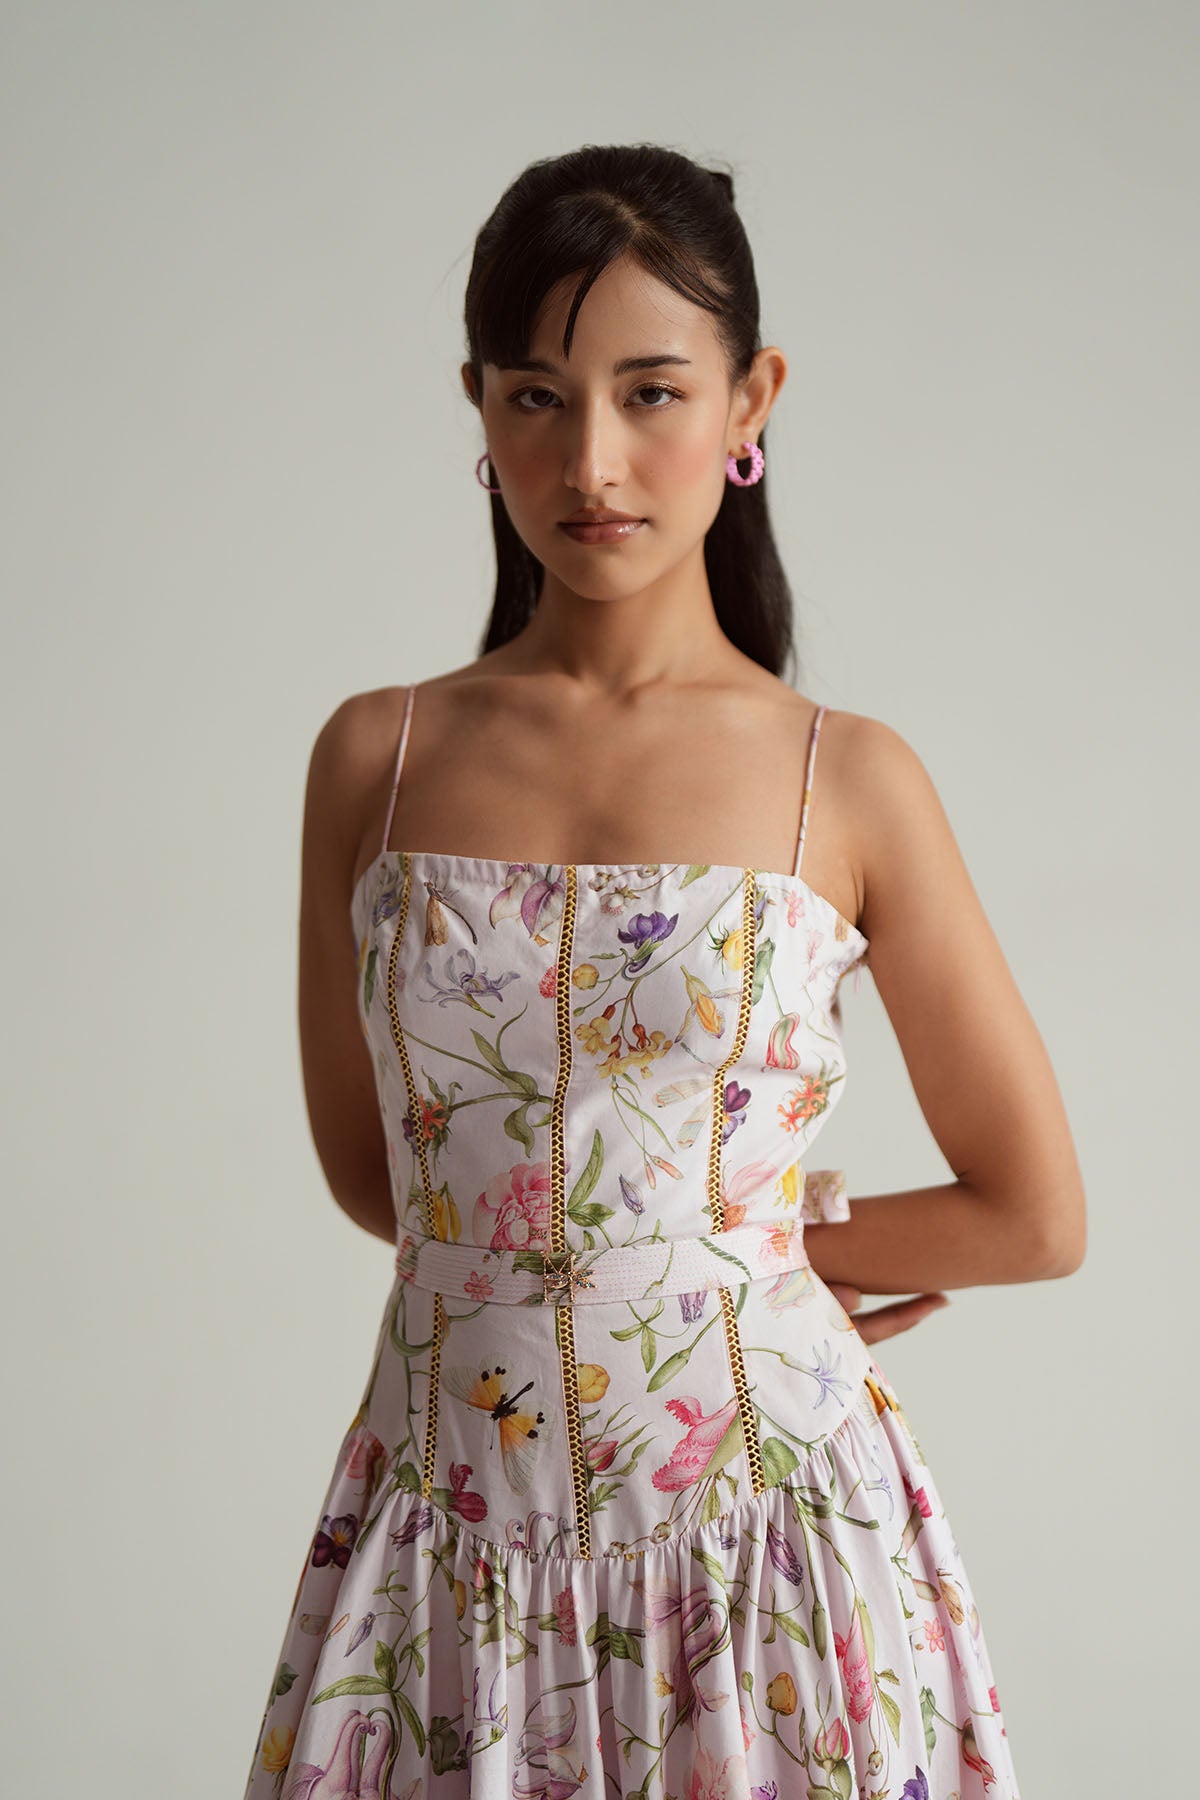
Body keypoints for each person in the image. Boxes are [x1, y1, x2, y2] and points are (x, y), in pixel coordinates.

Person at [243, 143, 1084, 1800]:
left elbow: (1033, 1214)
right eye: (538, 398)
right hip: (451, 1541)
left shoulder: (847, 777)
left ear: (751, 399)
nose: (594, 462)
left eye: (652, 392)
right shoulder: (375, 760)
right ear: (479, 410)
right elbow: (378, 1177)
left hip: (769, 1546)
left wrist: (741, 1257)